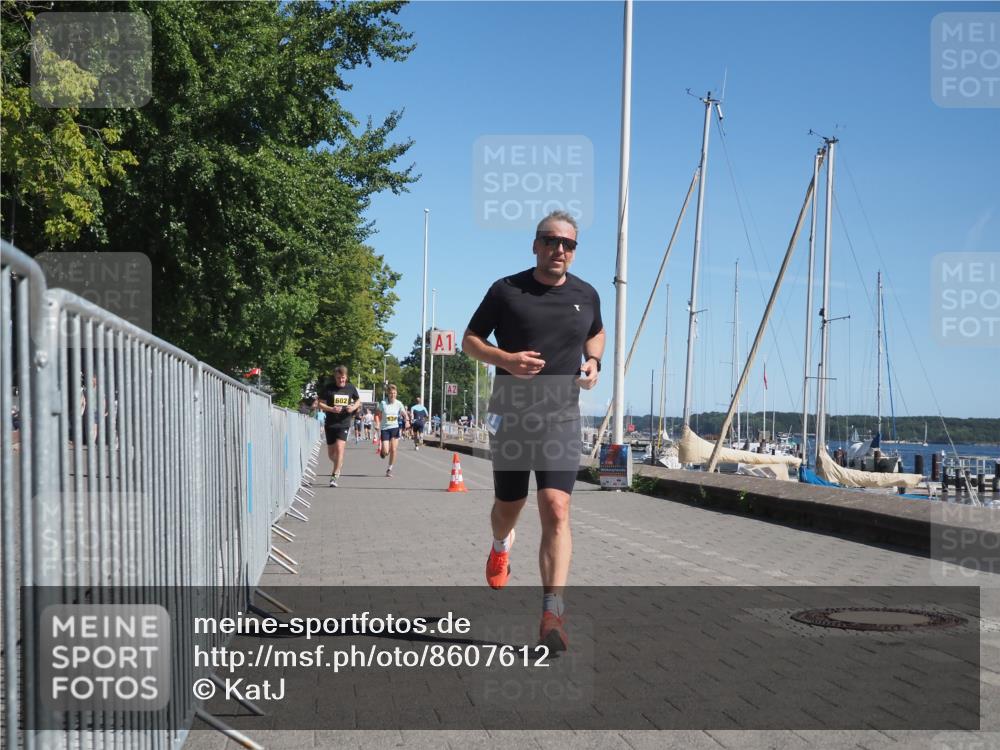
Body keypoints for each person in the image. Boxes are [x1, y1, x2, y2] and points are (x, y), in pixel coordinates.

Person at [462, 210, 604, 652]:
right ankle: (501, 543)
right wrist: (505, 360)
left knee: (557, 508)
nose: (559, 249)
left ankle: (552, 615)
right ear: (535, 245)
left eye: (568, 244)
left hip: (562, 417)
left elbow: (596, 335)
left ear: (574, 250)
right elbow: (470, 340)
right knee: (509, 505)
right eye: (550, 241)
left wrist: (594, 362)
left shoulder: (587, 294)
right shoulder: (507, 290)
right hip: (513, 414)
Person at [317, 366, 361, 487]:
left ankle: (334, 475)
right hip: (330, 423)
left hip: (344, 423)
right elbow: (319, 404)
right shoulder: (329, 388)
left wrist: (353, 407)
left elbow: (358, 401)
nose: (341, 380)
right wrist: (331, 409)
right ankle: (338, 463)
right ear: (335, 377)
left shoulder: (350, 387)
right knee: (331, 454)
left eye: (343, 378)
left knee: (340, 448)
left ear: (346, 377)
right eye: (338, 378)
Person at [374, 384, 406, 478]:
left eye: (394, 393)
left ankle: (389, 469)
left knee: (394, 449)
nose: (393, 395)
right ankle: (383, 452)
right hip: (385, 429)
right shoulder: (383, 403)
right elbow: (376, 414)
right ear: (388, 394)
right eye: (391, 393)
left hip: (395, 428)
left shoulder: (399, 403)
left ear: (396, 394)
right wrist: (377, 423)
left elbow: (403, 412)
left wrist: (407, 420)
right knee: (386, 451)